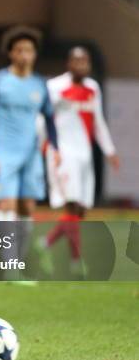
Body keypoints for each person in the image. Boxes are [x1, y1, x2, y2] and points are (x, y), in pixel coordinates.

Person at [0, 25, 60, 281]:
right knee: (7, 204)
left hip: (32, 154)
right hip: (4, 152)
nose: (24, 54)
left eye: (29, 50)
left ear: (34, 54)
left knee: (27, 207)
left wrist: (56, 149)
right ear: (11, 54)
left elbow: (49, 119)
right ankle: (10, 269)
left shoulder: (40, 85)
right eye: (19, 50)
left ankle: (19, 262)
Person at [39, 47, 120, 277]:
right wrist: (42, 146)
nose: (81, 65)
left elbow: (98, 121)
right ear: (68, 63)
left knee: (81, 210)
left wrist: (109, 150)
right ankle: (76, 264)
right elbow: (43, 119)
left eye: (85, 61)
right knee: (71, 205)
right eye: (77, 60)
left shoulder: (93, 88)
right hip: (63, 153)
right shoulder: (55, 87)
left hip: (84, 154)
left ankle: (44, 243)